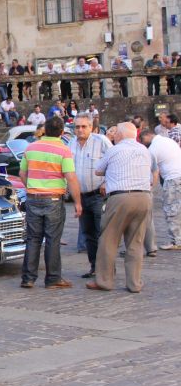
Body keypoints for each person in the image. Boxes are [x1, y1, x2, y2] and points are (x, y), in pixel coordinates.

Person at [88, 123, 155, 293]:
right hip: (144, 196)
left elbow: (97, 170)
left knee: (109, 240)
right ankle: (134, 283)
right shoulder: (145, 150)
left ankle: (104, 281)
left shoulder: (114, 149)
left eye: (116, 132)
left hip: (121, 196)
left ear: (121, 135)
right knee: (135, 242)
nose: (114, 135)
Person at [20, 116, 82, 289]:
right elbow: (71, 177)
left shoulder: (31, 147)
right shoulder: (63, 150)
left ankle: (28, 278)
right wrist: (78, 202)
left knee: (33, 238)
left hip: (33, 197)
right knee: (53, 239)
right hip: (54, 198)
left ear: (45, 130)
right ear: (62, 132)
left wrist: (32, 187)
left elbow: (22, 173)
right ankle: (53, 277)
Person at [69, 113, 113, 278]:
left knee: (103, 232)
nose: (80, 130)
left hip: (98, 195)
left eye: (83, 126)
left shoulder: (101, 141)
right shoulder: (71, 144)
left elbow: (114, 162)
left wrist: (106, 182)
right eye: (77, 127)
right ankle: (94, 267)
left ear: (91, 127)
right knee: (88, 234)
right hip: (81, 196)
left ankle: (107, 269)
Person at [140, 130, 181, 250]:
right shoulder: (168, 140)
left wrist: (150, 187)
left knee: (171, 210)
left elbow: (152, 171)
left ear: (147, 136)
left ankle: (177, 240)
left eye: (142, 140)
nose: (143, 144)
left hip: (173, 179)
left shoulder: (153, 148)